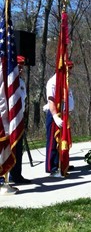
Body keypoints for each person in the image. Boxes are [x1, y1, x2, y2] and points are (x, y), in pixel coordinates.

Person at [44, 61, 74, 177]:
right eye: (68, 69)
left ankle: (62, 163)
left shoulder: (65, 83)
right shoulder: (53, 82)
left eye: (70, 69)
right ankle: (52, 167)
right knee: (53, 142)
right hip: (55, 115)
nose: (70, 72)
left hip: (65, 115)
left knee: (63, 141)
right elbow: (51, 100)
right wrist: (55, 116)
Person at [9, 56, 31, 184]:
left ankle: (17, 175)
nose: (21, 69)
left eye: (22, 66)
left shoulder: (21, 82)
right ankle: (4, 175)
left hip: (19, 118)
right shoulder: (7, 82)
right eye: (19, 66)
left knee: (18, 148)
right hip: (8, 120)